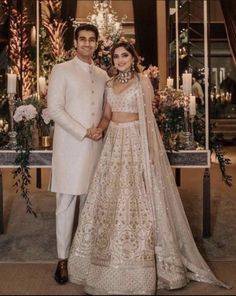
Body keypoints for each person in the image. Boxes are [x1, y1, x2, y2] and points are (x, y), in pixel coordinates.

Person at [68, 41, 230, 294]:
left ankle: (148, 264)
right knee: (109, 197)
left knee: (137, 197)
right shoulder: (109, 84)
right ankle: (101, 262)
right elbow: (108, 115)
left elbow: (148, 119)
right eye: (116, 56)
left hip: (135, 140)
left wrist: (151, 153)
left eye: (124, 55)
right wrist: (99, 128)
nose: (120, 60)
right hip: (114, 142)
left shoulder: (142, 82)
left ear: (133, 57)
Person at [47, 23, 108, 285]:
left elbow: (108, 111)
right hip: (71, 147)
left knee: (91, 204)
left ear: (97, 43)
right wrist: (84, 131)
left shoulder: (104, 75)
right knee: (66, 204)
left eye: (91, 40)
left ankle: (84, 257)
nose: (87, 44)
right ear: (75, 42)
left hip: (97, 148)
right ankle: (62, 260)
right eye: (82, 39)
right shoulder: (61, 70)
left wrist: (101, 131)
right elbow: (55, 110)